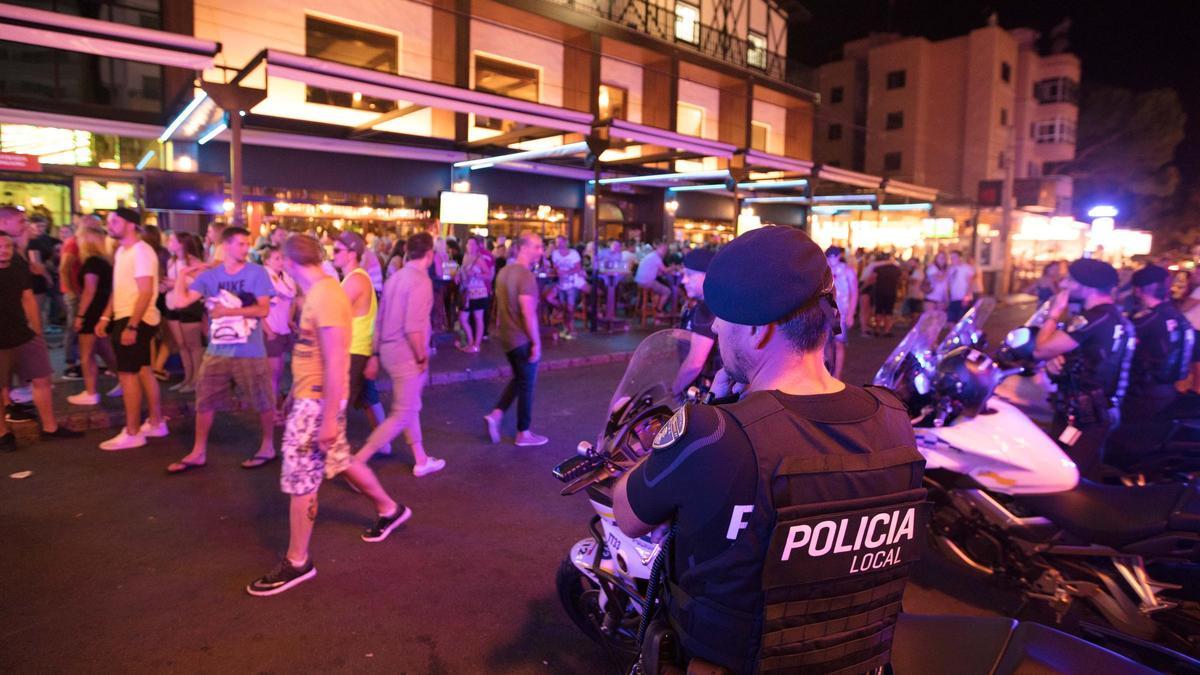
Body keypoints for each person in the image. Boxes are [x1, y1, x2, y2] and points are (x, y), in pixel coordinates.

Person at [612, 226, 926, 674]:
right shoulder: (895, 418)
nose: (716, 325)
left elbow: (628, 513)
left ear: (758, 331)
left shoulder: (715, 433)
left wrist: (705, 415)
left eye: (723, 317)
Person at [246, 234, 411, 597]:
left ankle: (298, 560)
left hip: (318, 404)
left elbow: (337, 363)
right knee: (340, 460)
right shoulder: (319, 293)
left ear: (288, 264)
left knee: (303, 481)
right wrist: (293, 396)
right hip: (309, 399)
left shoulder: (327, 295)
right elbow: (312, 354)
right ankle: (390, 508)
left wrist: (325, 416)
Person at [167, 226, 277, 472]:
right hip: (218, 350)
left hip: (250, 350)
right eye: (240, 244)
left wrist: (228, 311)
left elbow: (263, 310)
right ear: (225, 246)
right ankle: (198, 451)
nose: (246, 248)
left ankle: (268, 446)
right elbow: (179, 302)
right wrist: (184, 273)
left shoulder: (257, 273)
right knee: (204, 398)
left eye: (247, 244)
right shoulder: (210, 277)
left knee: (262, 400)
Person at [1033, 258, 1134, 478]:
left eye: (1070, 279)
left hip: (1084, 413)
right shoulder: (1113, 316)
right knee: (1084, 469)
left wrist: (1053, 312)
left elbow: (1040, 350)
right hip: (1093, 409)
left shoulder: (1093, 319)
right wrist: (1059, 359)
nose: (1064, 285)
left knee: (1063, 476)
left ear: (1086, 286)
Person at [358, 232, 445, 476]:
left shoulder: (395, 277)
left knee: (410, 406)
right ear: (429, 254)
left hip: (387, 349)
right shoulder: (420, 280)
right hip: (406, 353)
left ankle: (421, 458)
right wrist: (421, 356)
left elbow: (381, 317)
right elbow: (413, 327)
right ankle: (357, 460)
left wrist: (375, 354)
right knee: (401, 413)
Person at [1107, 264, 1199, 468]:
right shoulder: (1180, 319)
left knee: (1123, 448)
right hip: (1168, 392)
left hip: (1142, 395)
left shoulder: (1146, 321)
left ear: (1138, 290)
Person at [95, 207, 168, 451]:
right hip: (126, 316)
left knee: (127, 375)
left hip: (136, 318)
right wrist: (105, 317)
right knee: (143, 370)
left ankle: (133, 431)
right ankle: (156, 423)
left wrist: (132, 325)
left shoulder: (141, 251)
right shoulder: (123, 252)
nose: (110, 225)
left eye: (114, 221)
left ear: (129, 224)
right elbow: (119, 288)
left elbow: (146, 291)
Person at [483, 231, 549, 447]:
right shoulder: (525, 275)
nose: (541, 251)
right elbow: (527, 312)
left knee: (519, 378)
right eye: (537, 247)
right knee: (527, 384)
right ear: (523, 248)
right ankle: (524, 433)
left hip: (507, 337)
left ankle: (496, 414)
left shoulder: (503, 272)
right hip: (521, 338)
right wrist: (537, 343)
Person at [332, 231, 387, 431]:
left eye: (337, 250)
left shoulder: (355, 280)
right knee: (367, 398)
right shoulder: (353, 278)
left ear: (352, 253)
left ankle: (333, 449)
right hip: (358, 348)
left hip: (353, 349)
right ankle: (383, 443)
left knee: (338, 402)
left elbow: (332, 313)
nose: (333, 254)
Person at [66, 222, 117, 406]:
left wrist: (80, 316)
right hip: (104, 310)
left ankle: (91, 392)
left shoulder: (91, 263)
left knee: (86, 354)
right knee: (106, 350)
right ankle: (124, 381)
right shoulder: (105, 262)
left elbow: (89, 290)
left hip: (92, 311)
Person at [671, 248, 723, 397]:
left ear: (708, 276)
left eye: (689, 275)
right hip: (721, 390)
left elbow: (694, 364)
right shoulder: (719, 303)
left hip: (707, 391)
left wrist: (674, 391)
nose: (683, 280)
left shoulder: (706, 310)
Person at [163, 231, 207, 392]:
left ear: (182, 243)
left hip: (190, 305)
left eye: (172, 240)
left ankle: (196, 379)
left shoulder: (195, 263)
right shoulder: (171, 261)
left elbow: (200, 284)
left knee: (194, 345)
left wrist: (175, 283)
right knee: (182, 345)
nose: (168, 242)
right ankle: (187, 378)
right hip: (172, 304)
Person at [262, 245, 297, 411]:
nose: (281, 261)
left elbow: (292, 302)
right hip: (272, 330)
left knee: (280, 372)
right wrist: (268, 331)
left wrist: (290, 320)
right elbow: (258, 308)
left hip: (284, 330)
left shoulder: (286, 278)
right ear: (267, 260)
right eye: (277, 258)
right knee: (272, 374)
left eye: (282, 258)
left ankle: (276, 406)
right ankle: (271, 411)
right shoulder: (264, 278)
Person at [825, 246, 858, 379]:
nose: (832, 259)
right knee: (825, 344)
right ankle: (827, 373)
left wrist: (851, 313)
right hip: (826, 311)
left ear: (839, 256)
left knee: (838, 343)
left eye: (834, 256)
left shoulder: (847, 271)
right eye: (829, 257)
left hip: (840, 313)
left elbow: (854, 293)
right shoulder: (824, 270)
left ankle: (837, 376)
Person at [59, 216, 86, 380]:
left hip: (78, 291)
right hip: (75, 292)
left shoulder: (76, 243)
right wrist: (71, 290)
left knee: (76, 327)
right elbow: (64, 268)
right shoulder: (73, 243)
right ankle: (71, 364)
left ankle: (78, 362)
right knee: (73, 327)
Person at [456, 237, 493, 353]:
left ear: (477, 247)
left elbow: (489, 275)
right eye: (468, 243)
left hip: (479, 292)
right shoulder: (465, 257)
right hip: (467, 292)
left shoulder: (479, 259)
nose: (470, 246)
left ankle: (476, 345)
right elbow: (463, 272)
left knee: (478, 318)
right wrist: (458, 275)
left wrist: (477, 275)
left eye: (473, 244)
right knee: (462, 318)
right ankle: (471, 341)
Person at [550, 236, 587, 339]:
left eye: (561, 242)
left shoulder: (574, 253)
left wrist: (566, 272)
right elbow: (555, 266)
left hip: (572, 282)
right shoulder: (555, 253)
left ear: (566, 242)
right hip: (561, 283)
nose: (559, 244)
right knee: (563, 305)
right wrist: (557, 271)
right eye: (557, 242)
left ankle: (571, 328)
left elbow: (578, 268)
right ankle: (566, 326)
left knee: (570, 307)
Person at [868, 252, 902, 337]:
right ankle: (887, 330)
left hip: (879, 291)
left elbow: (873, 278)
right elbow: (900, 279)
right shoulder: (896, 268)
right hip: (891, 292)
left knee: (878, 311)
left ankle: (877, 329)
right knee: (889, 312)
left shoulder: (878, 268)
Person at [634, 241, 672, 315]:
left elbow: (656, 271)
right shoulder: (656, 258)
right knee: (667, 291)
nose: (665, 252)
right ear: (659, 249)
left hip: (639, 281)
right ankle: (658, 311)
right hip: (647, 282)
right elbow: (665, 270)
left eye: (666, 251)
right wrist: (673, 267)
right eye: (664, 250)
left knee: (658, 291)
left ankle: (651, 309)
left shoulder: (651, 255)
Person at [946, 250, 976, 323]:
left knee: (962, 321)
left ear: (960, 258)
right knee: (951, 321)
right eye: (951, 257)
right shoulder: (951, 269)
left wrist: (966, 297)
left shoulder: (967, 268)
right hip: (954, 298)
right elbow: (949, 284)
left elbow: (970, 284)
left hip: (963, 298)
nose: (953, 259)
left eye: (955, 257)